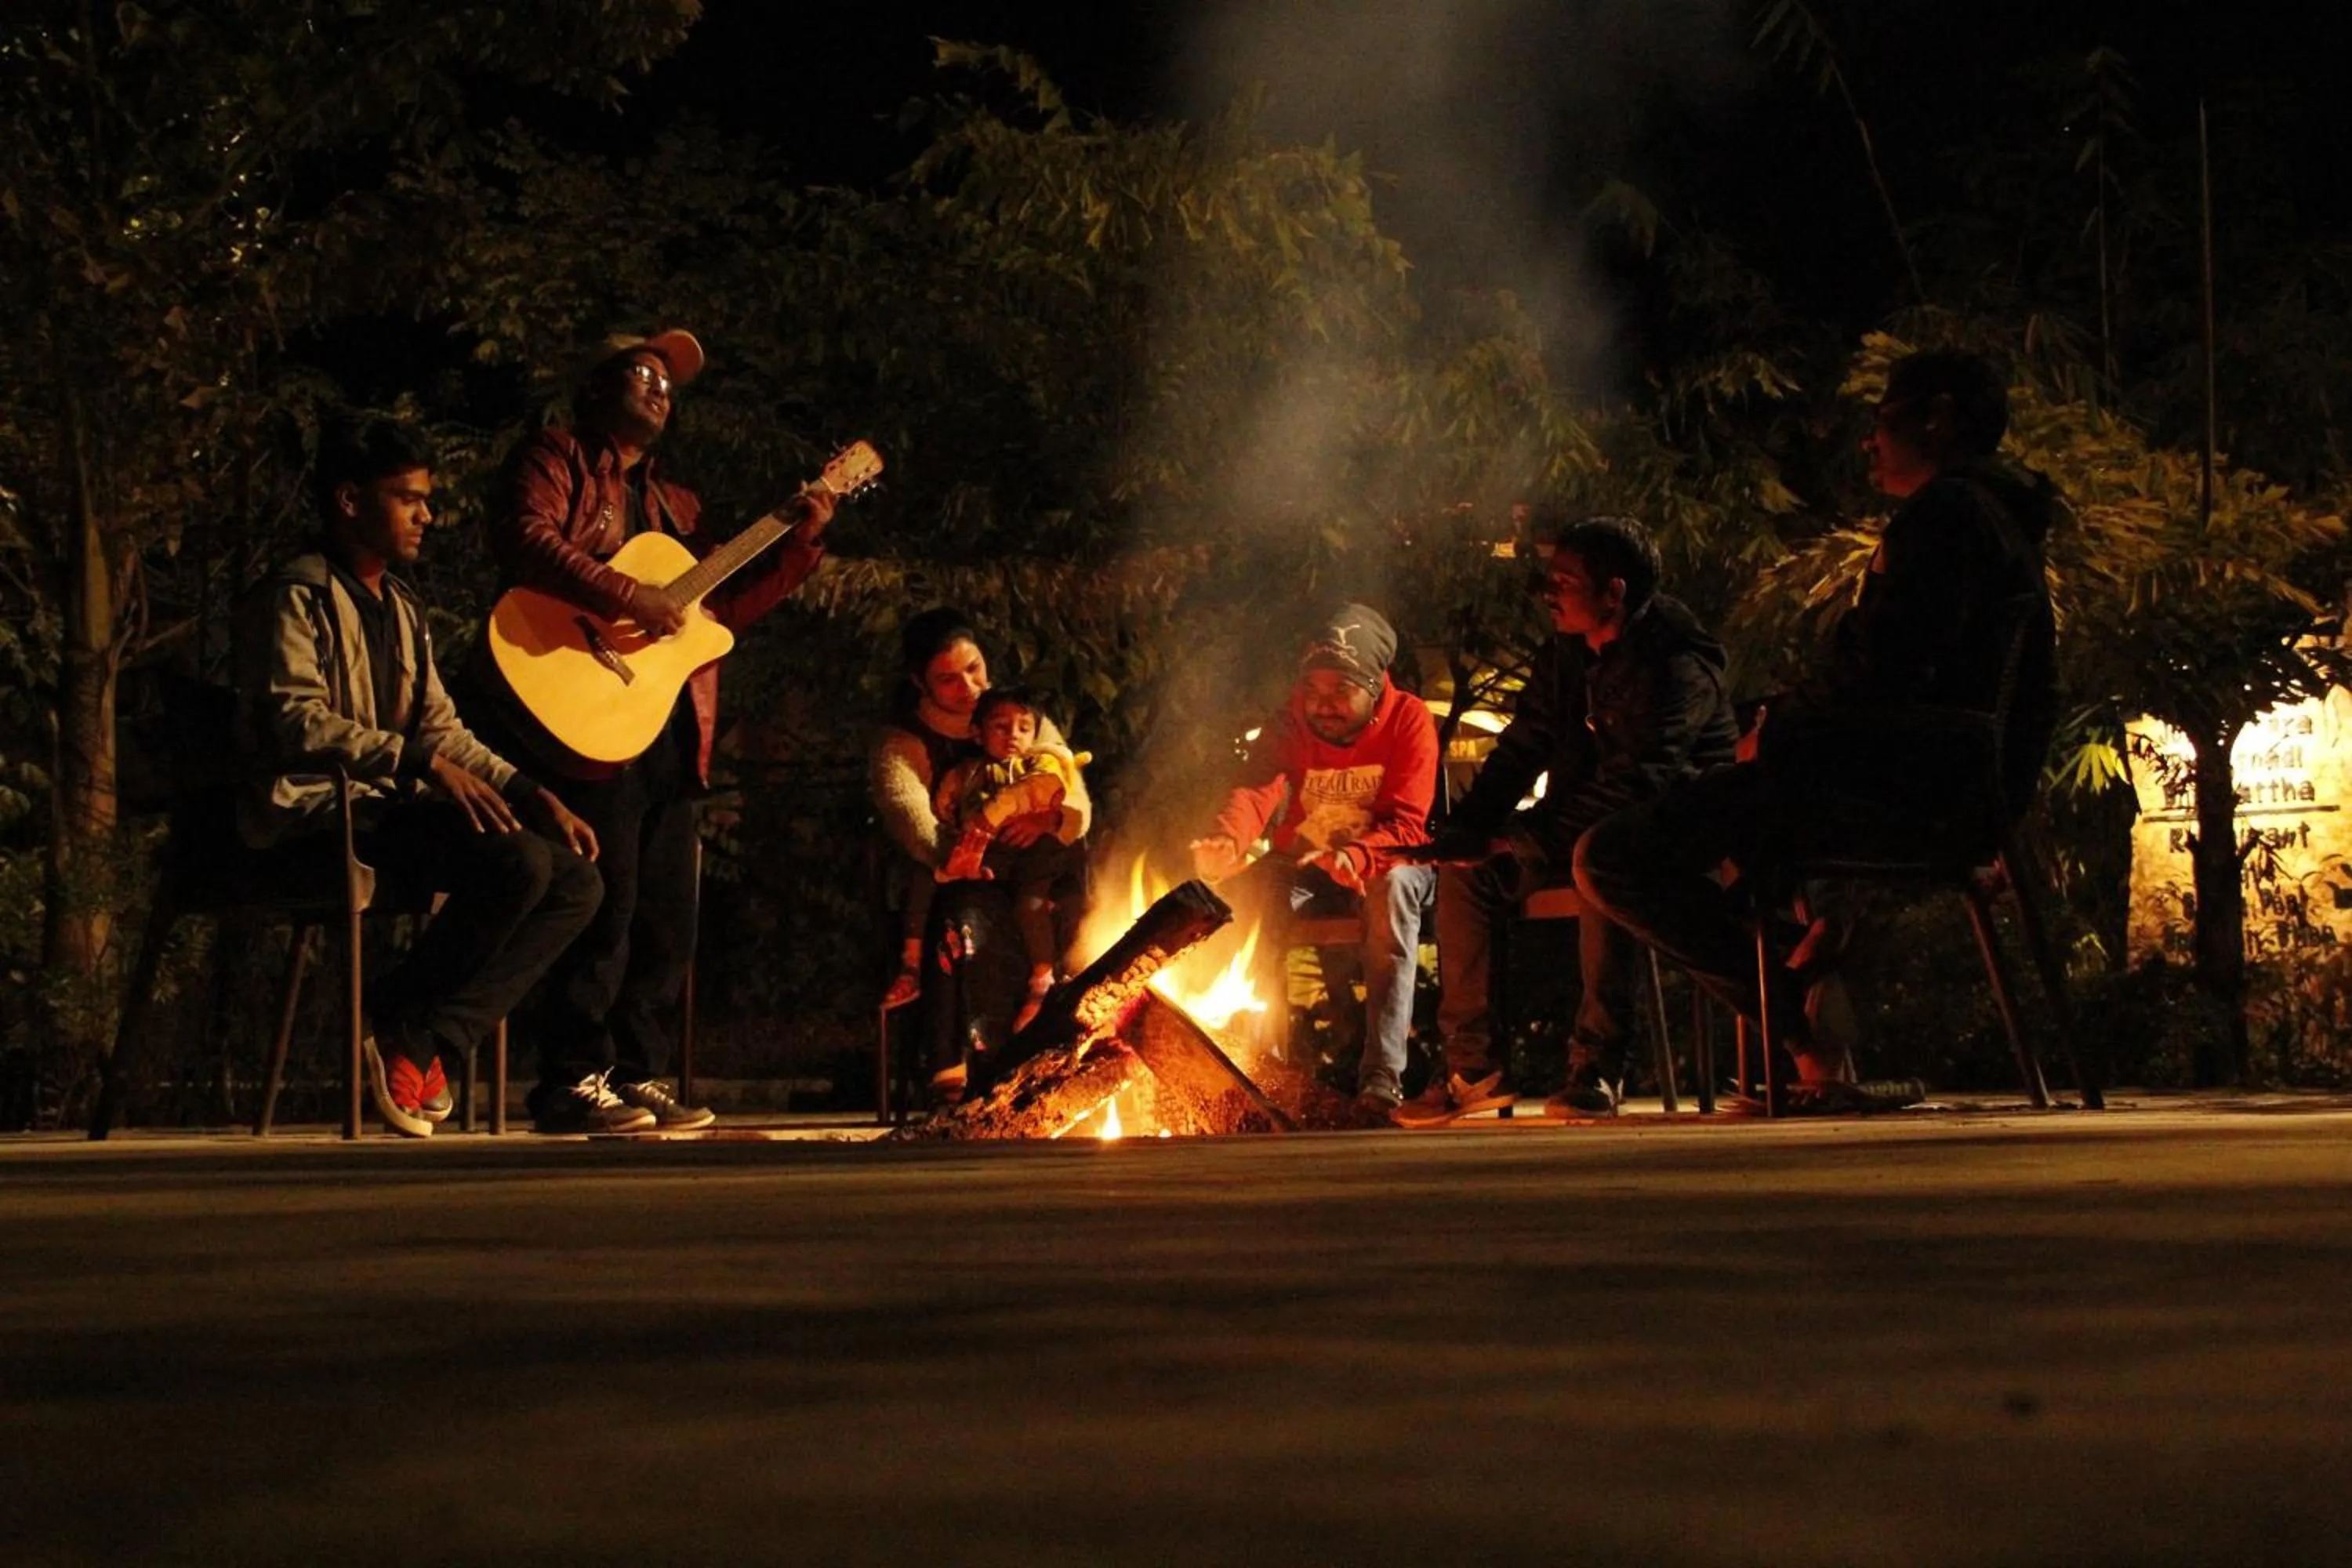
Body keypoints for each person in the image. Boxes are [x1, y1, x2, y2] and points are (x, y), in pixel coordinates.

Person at [1573, 349, 2060, 1105]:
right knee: (1726, 815)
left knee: (1612, 855)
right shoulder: (1997, 521)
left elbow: (1886, 673)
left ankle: (1796, 1014)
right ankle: (1800, 983)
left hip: (1902, 789)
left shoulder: (1949, 517)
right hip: (1945, 781)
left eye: (1882, 423)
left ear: (1935, 419)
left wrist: (1781, 730)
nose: (1869, 443)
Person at [483, 328, 837, 1134]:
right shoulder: (558, 458)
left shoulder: (676, 508)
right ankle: (570, 1079)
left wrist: (802, 540)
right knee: (603, 904)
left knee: (666, 918)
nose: (659, 389)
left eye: (669, 383)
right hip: (582, 705)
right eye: (643, 373)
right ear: (599, 385)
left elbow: (717, 618)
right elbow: (526, 536)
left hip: (666, 722)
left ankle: (634, 1074)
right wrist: (624, 594)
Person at [236, 416, 604, 1138]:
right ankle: (407, 1020)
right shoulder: (298, 594)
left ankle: (422, 1032)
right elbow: (296, 720)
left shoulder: (401, 606)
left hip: (386, 808)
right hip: (317, 812)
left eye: (425, 500)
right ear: (349, 501)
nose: (426, 516)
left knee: (577, 881)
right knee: (516, 862)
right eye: (407, 499)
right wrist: (416, 762)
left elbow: (441, 728)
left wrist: (532, 792)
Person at [1395, 514, 1738, 1127]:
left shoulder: (1677, 664)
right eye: (1547, 578)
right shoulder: (1567, 655)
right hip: (1579, 824)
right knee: (1468, 875)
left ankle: (1597, 1065)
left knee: (1598, 865)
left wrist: (1521, 837)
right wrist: (1467, 831)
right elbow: (1524, 746)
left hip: (1671, 830)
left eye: (1565, 580)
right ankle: (1472, 1071)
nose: (1548, 593)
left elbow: (1638, 785)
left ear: (1615, 592)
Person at [1190, 604, 1439, 1116]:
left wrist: (1357, 854)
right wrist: (1227, 841)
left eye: (1340, 692)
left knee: (1392, 894)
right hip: (1307, 869)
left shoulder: (1410, 720)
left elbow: (1410, 823)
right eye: (1313, 692)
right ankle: (1261, 1070)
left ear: (1374, 687)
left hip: (1389, 862)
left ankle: (1381, 1078)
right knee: (1246, 898)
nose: (1322, 706)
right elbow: (1255, 790)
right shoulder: (1288, 721)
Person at [869, 610, 1092, 1103]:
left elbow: (1070, 790)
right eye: (947, 679)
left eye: (973, 668)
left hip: (1037, 865)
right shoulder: (904, 740)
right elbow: (908, 812)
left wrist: (1050, 819)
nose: (967, 686)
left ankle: (1065, 1046)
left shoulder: (1019, 716)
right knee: (969, 919)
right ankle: (971, 1066)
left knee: (1069, 908)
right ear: (920, 683)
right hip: (964, 870)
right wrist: (960, 850)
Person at [887, 685, 1091, 1031]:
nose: (1013, 735)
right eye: (1001, 726)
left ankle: (1042, 986)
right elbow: (943, 815)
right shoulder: (964, 773)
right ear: (977, 734)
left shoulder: (1038, 767)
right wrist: (956, 841)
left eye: (1024, 728)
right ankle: (910, 965)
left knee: (1032, 905)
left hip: (1029, 858)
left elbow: (1071, 811)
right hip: (980, 856)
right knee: (924, 876)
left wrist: (1043, 820)